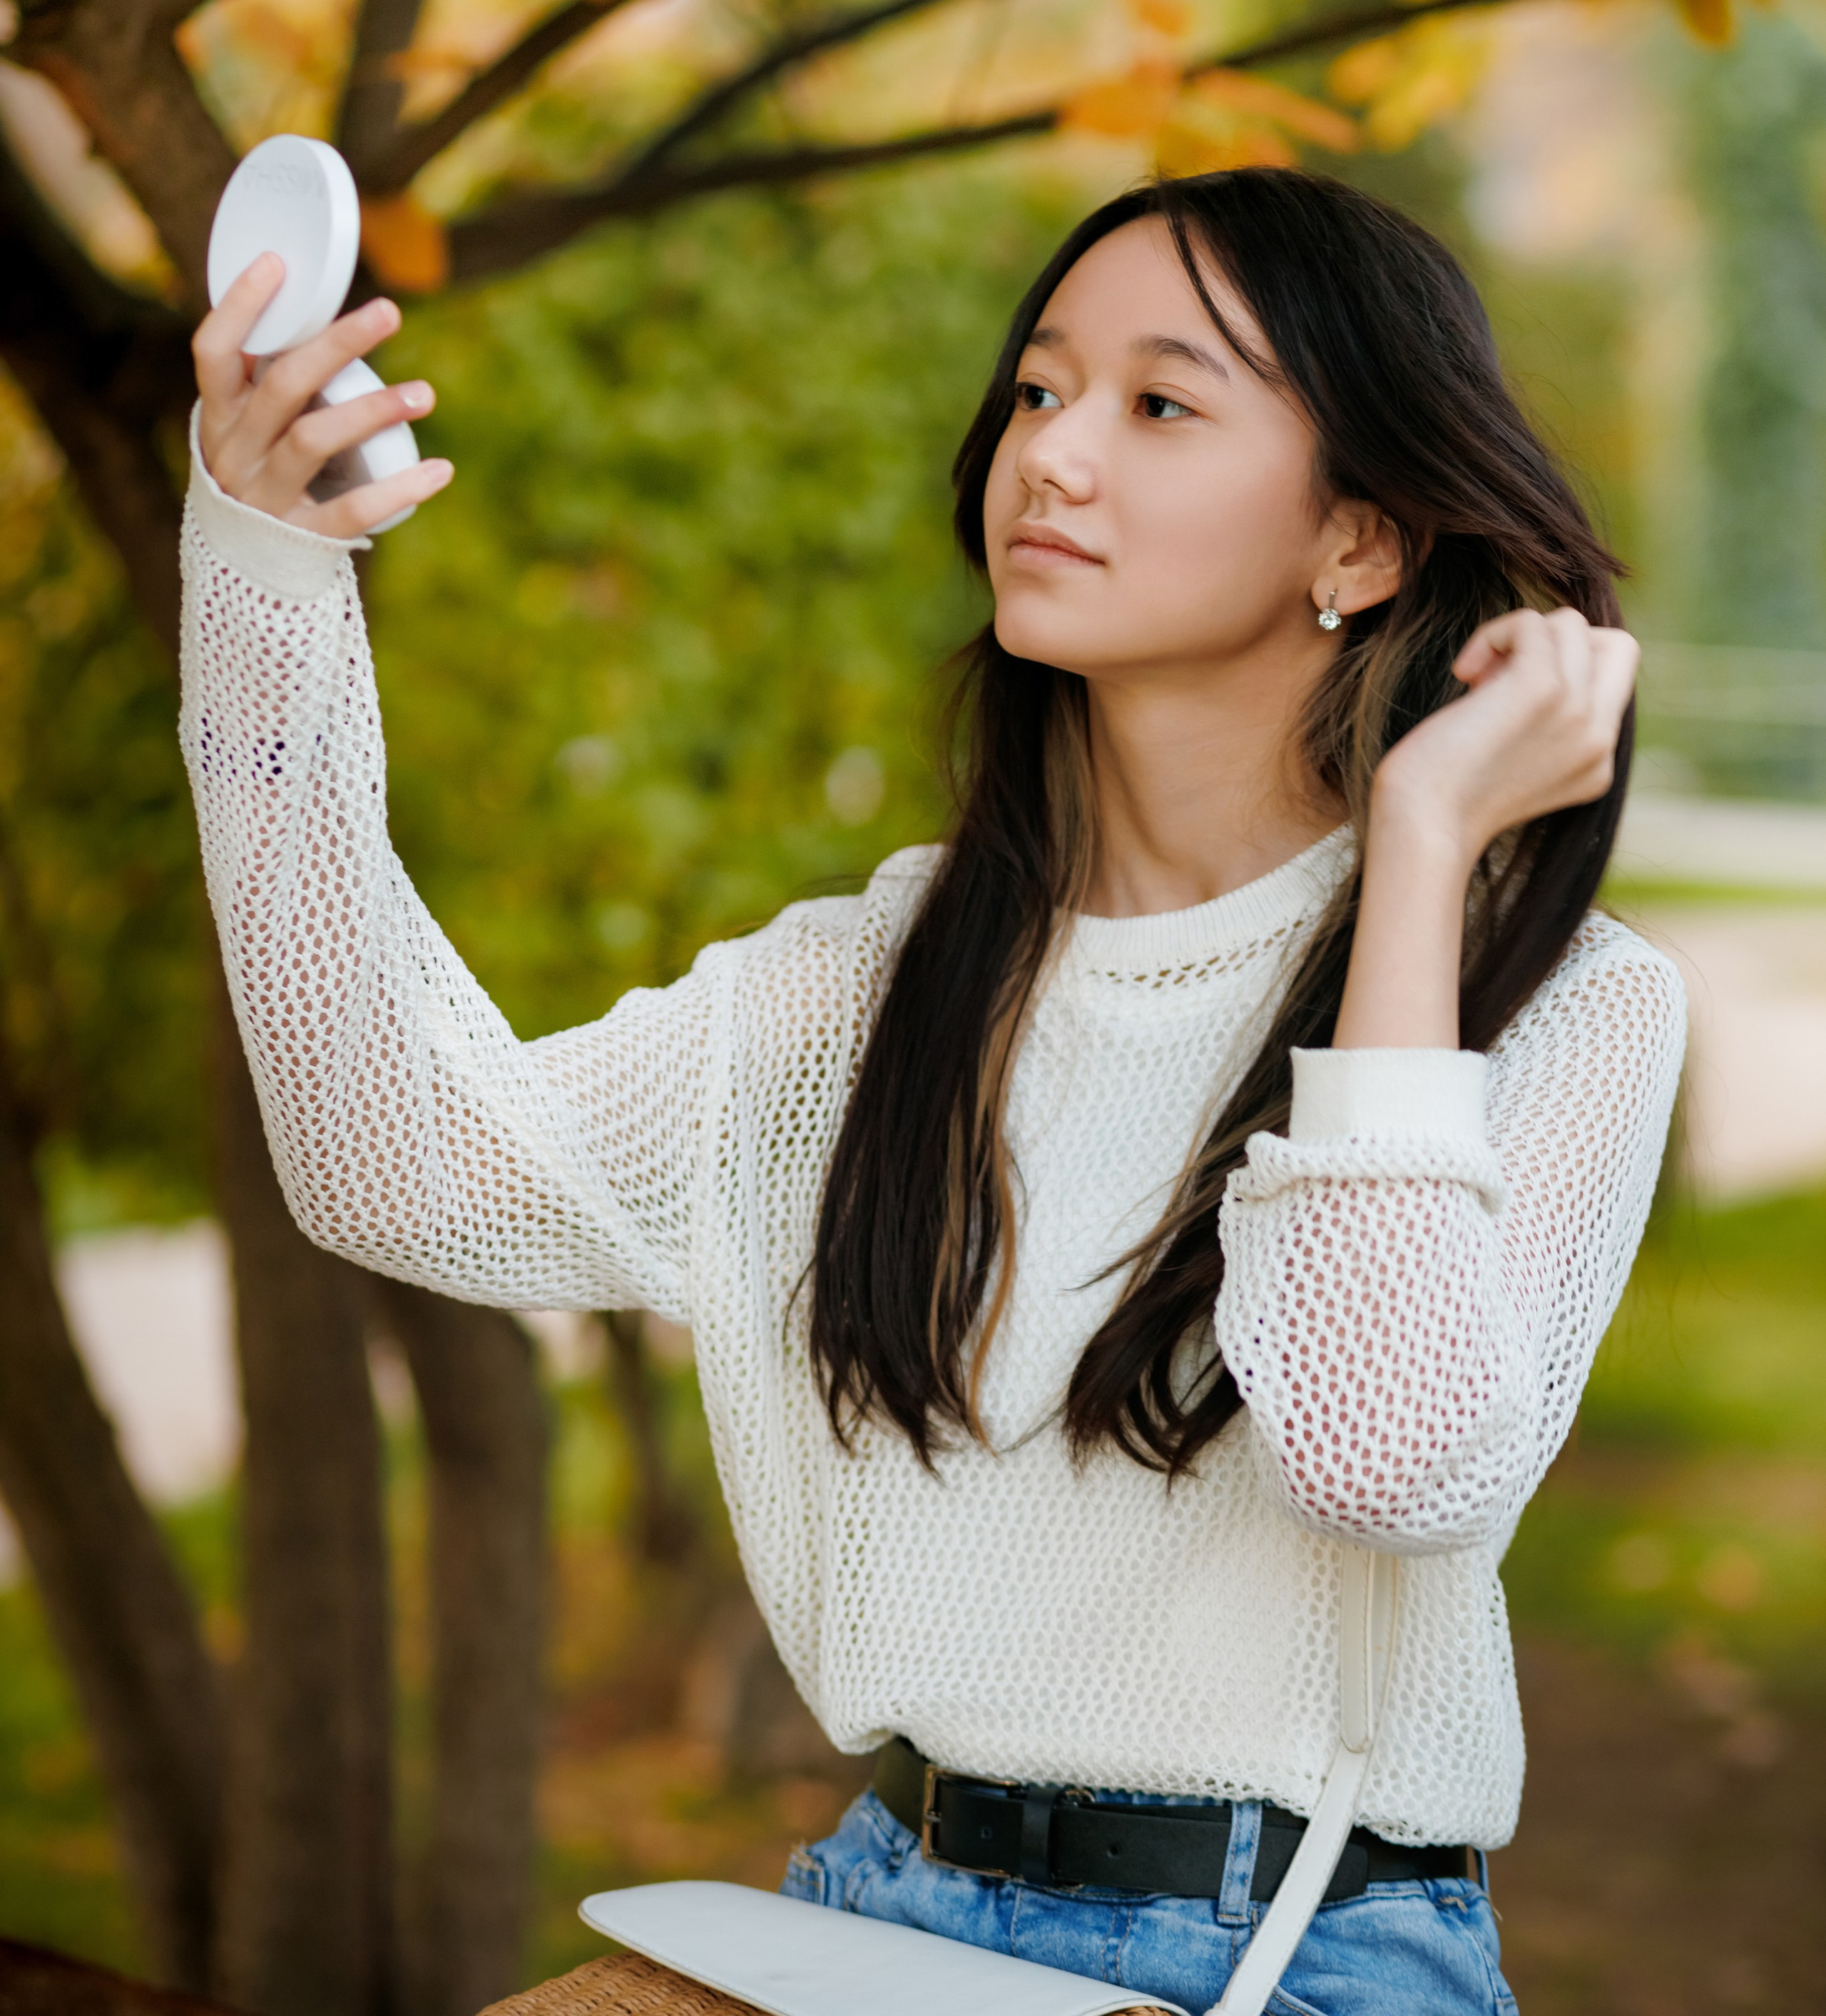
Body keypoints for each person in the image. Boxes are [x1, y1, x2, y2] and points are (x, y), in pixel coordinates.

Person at [182, 168, 1684, 2016]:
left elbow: (1386, 1465)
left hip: (1299, 1957)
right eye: (1042, 391)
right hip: (871, 1914)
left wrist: (1426, 845)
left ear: (1358, 543)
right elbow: (387, 1161)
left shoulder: (1560, 1002)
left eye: (1159, 403)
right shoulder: (873, 986)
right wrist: (266, 573)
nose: (1052, 456)